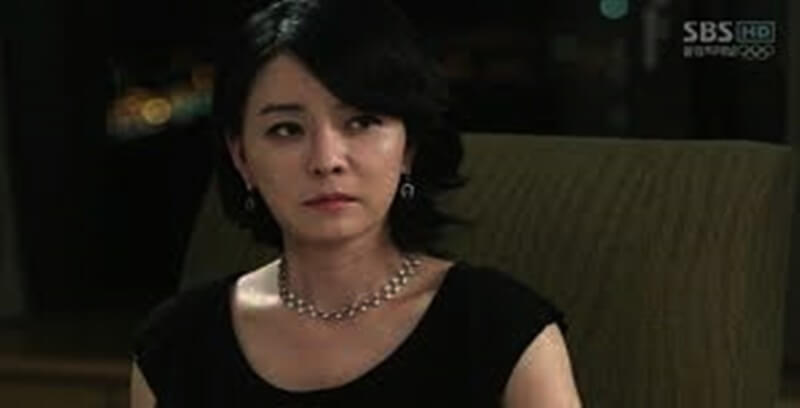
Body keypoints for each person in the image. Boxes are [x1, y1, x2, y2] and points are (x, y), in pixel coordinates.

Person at [130, 0, 582, 406]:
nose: (326, 160)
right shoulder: (175, 345)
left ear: (408, 149)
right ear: (242, 158)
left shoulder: (501, 330)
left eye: (361, 122)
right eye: (286, 130)